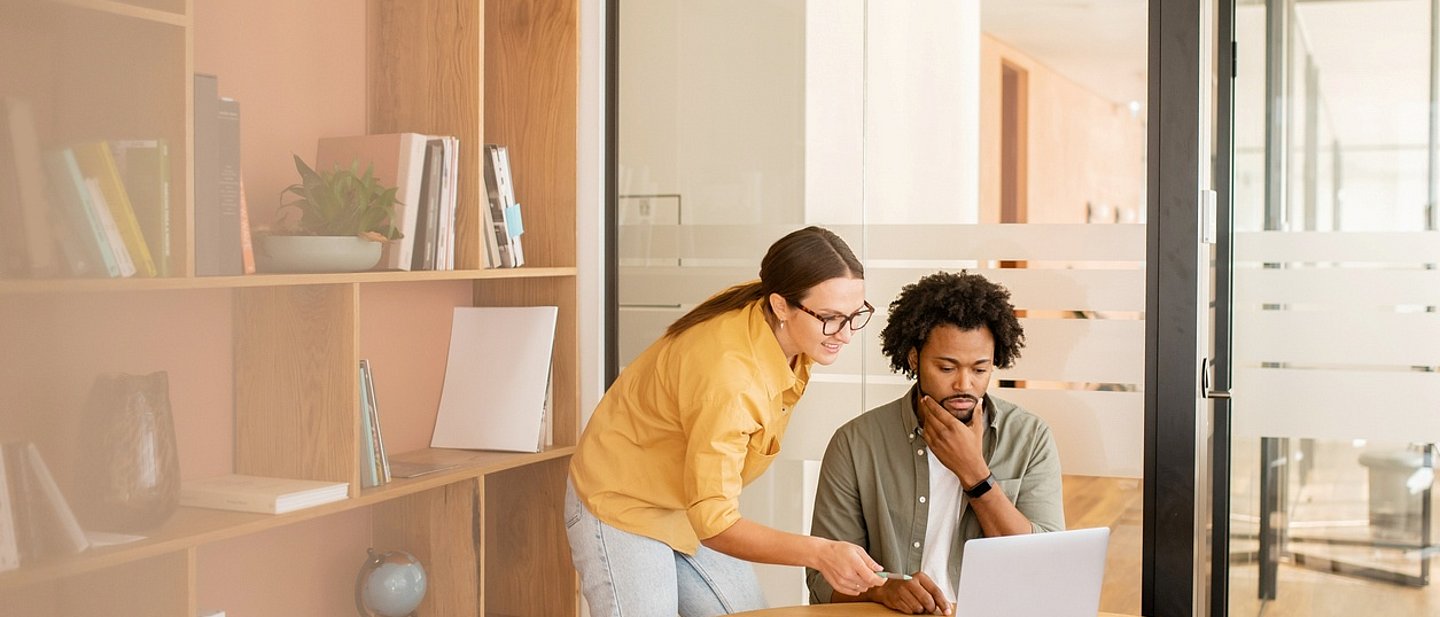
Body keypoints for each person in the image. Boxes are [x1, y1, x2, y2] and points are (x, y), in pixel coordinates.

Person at [567, 226, 890, 616]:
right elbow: (716, 524)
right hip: (622, 503)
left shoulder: (784, 328)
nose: (845, 334)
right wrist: (821, 553)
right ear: (781, 305)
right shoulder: (730, 379)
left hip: (686, 504)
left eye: (854, 316)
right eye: (830, 318)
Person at [807, 271, 1065, 615]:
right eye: (946, 368)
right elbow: (823, 581)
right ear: (915, 359)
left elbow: (1045, 569)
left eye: (980, 369)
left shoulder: (1030, 439)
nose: (964, 384)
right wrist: (883, 591)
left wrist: (974, 474)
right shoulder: (857, 443)